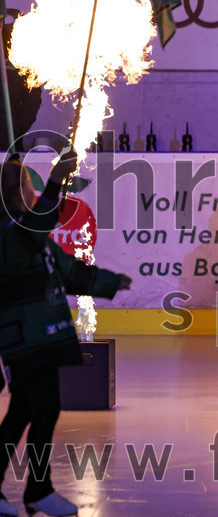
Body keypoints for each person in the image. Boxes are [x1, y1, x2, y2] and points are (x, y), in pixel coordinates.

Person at [0, 151, 131, 517]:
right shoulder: (12, 234)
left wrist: (109, 281)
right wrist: (56, 182)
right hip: (23, 340)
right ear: (15, 193)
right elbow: (31, 234)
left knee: (26, 412)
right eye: (27, 184)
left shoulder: (29, 232)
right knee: (42, 409)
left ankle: (36, 491)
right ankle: (38, 490)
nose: (32, 189)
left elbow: (67, 270)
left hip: (40, 337)